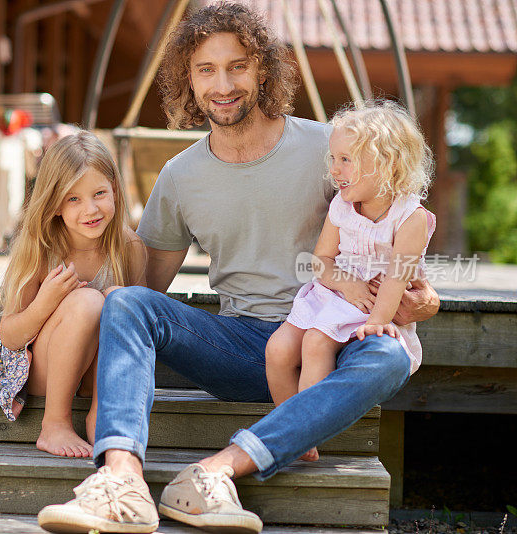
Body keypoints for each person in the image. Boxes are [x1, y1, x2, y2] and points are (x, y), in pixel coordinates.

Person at [37, 3, 439, 533]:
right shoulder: (180, 176)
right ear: (189, 79)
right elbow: (142, 294)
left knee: (389, 357)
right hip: (240, 348)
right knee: (126, 301)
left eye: (237, 66)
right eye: (206, 70)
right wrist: (55, 320)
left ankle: (215, 473)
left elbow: (403, 242)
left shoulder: (331, 149)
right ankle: (121, 479)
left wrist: (424, 301)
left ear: (264, 69)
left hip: (332, 340)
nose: (222, 84)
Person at [266, 102, 436, 463]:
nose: (334, 170)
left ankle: (301, 433)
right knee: (278, 350)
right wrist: (347, 284)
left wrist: (378, 321)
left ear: (388, 163)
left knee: (315, 342)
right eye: (333, 159)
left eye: (346, 160)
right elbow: (321, 261)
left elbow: (397, 276)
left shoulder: (410, 218)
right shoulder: (342, 206)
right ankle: (294, 431)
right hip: (336, 292)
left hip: (373, 305)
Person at [0, 131, 147, 458]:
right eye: (73, 199)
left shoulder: (129, 248)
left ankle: (101, 413)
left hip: (96, 372)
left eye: (99, 193)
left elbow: (137, 334)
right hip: (40, 371)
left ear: (116, 192)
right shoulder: (40, 249)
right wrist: (46, 303)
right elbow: (9, 336)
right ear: (53, 205)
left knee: (122, 302)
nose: (90, 209)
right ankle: (55, 423)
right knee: (88, 301)